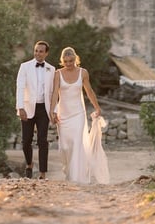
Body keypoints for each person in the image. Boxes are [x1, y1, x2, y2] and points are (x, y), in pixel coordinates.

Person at [50, 46, 109, 184]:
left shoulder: (83, 73)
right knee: (65, 147)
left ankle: (75, 178)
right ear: (62, 61)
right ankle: (68, 171)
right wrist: (52, 110)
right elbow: (54, 93)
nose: (69, 64)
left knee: (77, 144)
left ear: (76, 59)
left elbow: (89, 91)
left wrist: (97, 107)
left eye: (71, 61)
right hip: (63, 114)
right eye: (66, 61)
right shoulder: (58, 74)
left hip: (78, 114)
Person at [15, 40, 56, 179]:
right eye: (36, 50)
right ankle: (29, 164)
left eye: (41, 51)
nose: (38, 53)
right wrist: (20, 107)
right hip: (27, 107)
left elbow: (53, 92)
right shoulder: (24, 66)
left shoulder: (51, 69)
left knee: (42, 140)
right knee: (26, 140)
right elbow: (20, 88)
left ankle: (43, 173)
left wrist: (53, 110)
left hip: (44, 108)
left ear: (46, 53)